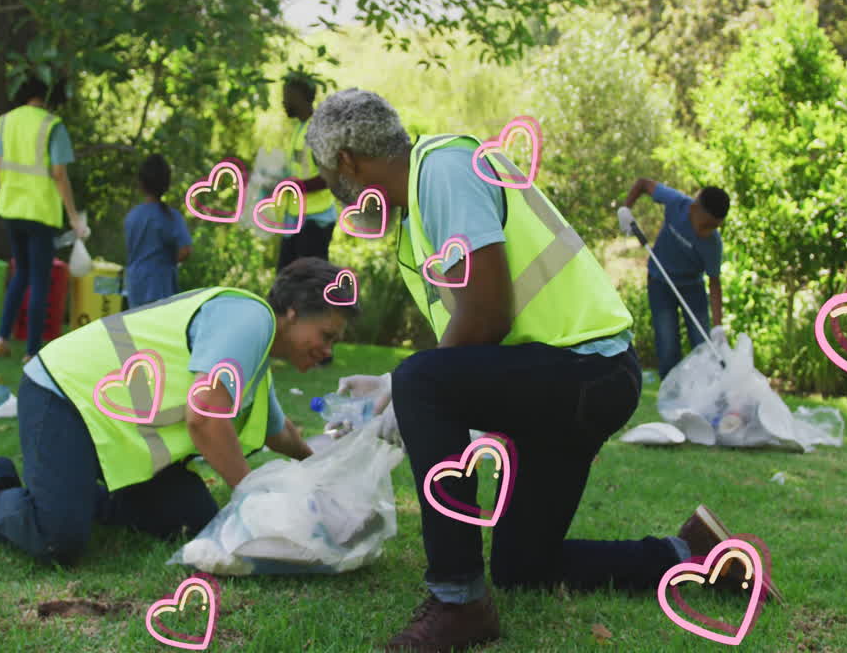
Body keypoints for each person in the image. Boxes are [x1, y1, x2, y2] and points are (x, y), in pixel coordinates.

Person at [307, 89, 774, 652]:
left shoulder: (443, 170)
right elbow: (471, 339)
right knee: (522, 565)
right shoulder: (421, 208)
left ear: (348, 164)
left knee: (420, 382)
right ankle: (691, 557)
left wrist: (409, 388)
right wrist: (392, 388)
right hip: (570, 381)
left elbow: (487, 312)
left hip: (584, 372)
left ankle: (458, 602)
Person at [0, 257, 358, 564]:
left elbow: (279, 431)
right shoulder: (249, 318)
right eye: (326, 335)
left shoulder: (254, 366)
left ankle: (72, 493)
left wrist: (321, 469)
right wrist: (252, 499)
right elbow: (203, 418)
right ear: (292, 311)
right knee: (58, 540)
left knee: (193, 518)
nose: (328, 351)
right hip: (64, 395)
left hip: (109, 426)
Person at [0, 75, 88, 364]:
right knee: (40, 280)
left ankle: (1, 339)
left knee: (20, 273)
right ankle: (32, 351)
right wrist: (73, 217)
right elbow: (59, 174)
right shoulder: (52, 126)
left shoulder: (5, 122)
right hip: (40, 211)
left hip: (10, 208)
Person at [617, 179, 729, 379]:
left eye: (714, 227)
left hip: (692, 288)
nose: (707, 231)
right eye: (705, 225)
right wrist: (626, 208)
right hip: (660, 281)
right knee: (667, 345)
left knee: (703, 346)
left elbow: (714, 283)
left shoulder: (713, 243)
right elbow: (643, 184)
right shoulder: (677, 203)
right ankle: (671, 396)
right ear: (695, 209)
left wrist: (718, 326)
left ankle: (707, 392)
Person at [276, 73, 337, 271]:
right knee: (285, 279)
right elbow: (299, 170)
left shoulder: (317, 131)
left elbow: (330, 177)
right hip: (296, 218)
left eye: (287, 96)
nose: (283, 101)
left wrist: (296, 186)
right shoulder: (300, 129)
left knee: (309, 283)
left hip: (315, 221)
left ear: (301, 97)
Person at [123, 153, 192, 308]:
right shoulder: (171, 217)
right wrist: (171, 260)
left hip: (135, 284)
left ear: (141, 183)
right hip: (161, 284)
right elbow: (186, 250)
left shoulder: (132, 216)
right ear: (166, 184)